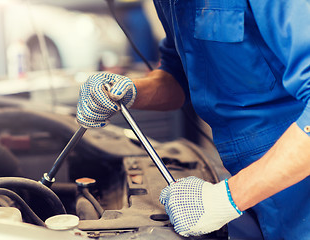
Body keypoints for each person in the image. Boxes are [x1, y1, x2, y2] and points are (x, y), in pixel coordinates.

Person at [76, 1, 310, 239]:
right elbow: (181, 76)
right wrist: (130, 91)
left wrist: (225, 199)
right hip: (249, 179)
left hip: (298, 175)